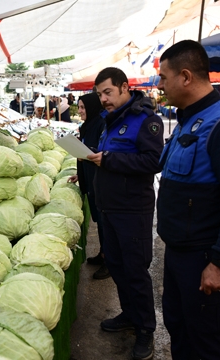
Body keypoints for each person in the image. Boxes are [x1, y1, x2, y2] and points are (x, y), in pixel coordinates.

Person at [156, 40, 220, 360]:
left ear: (185, 77)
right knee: (179, 326)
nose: (159, 86)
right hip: (180, 251)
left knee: (209, 340)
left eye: (163, 77)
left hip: (205, 256)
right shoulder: (189, 118)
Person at [87, 67, 164, 360]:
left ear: (124, 87)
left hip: (133, 211)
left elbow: (152, 161)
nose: (103, 99)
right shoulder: (111, 121)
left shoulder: (147, 120)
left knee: (135, 271)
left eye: (107, 92)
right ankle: (129, 315)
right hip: (109, 208)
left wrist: (108, 159)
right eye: (99, 95)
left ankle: (146, 329)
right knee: (117, 268)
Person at [67, 93, 109, 279]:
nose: (80, 111)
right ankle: (103, 254)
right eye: (79, 107)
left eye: (83, 108)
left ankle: (109, 262)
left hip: (99, 180)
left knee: (105, 223)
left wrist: (86, 153)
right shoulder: (87, 126)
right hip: (89, 178)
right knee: (99, 222)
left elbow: (100, 152)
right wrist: (80, 174)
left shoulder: (101, 124)